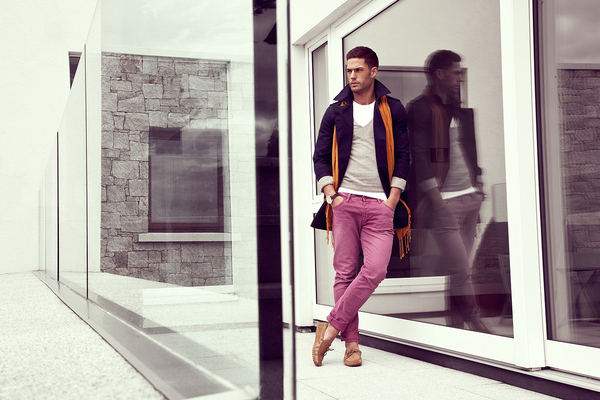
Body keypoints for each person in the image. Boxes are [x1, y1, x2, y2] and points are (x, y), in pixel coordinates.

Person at [311, 46, 410, 367]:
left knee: (376, 269)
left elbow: (404, 155)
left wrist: (393, 197)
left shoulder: (393, 109)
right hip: (345, 202)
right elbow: (320, 156)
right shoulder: (336, 111)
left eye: (358, 70)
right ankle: (351, 345)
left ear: (373, 71)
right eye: (349, 70)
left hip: (381, 204)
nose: (352, 76)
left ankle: (330, 328)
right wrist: (331, 194)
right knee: (344, 272)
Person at [407, 50, 489, 333]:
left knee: (459, 270)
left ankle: (455, 326)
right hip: (444, 204)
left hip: (470, 198)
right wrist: (436, 198)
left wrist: (478, 185)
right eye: (456, 72)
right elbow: (418, 155)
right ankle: (474, 320)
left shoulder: (458, 108)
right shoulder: (419, 108)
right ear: (439, 74)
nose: (460, 78)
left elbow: (470, 147)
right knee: (462, 270)